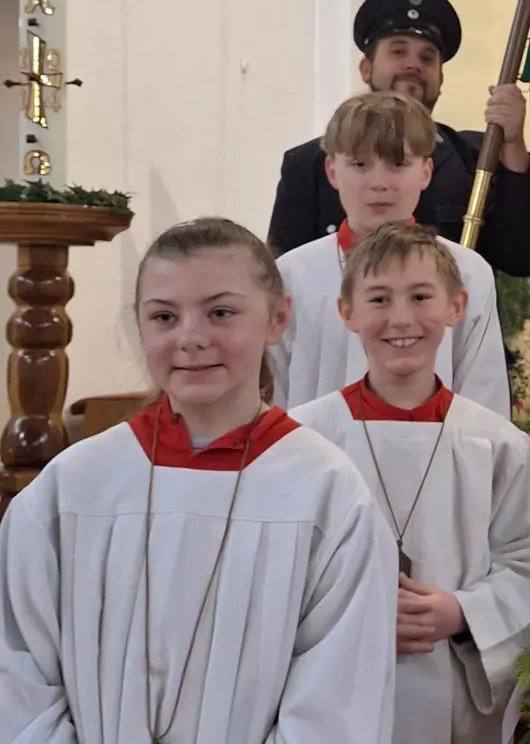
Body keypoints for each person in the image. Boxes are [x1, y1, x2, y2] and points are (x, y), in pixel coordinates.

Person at [0, 217, 398, 742]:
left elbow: (339, 700)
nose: (191, 337)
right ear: (140, 326)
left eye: (221, 312)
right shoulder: (74, 486)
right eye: (164, 316)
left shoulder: (327, 493)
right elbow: (17, 673)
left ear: (278, 318)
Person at [291, 221, 530, 743]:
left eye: (421, 296)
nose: (401, 318)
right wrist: (357, 613)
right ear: (346, 312)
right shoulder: (303, 440)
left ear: (456, 306)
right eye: (378, 299)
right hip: (331, 688)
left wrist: (463, 611)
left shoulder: (496, 444)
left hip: (455, 691)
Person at [268, 0, 530, 279]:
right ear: (366, 68)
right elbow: (286, 278)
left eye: (427, 57)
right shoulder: (308, 163)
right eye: (398, 51)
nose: (413, 65)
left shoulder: (477, 157)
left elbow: (524, 258)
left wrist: (512, 145)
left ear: (441, 78)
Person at [271, 90, 510, 416]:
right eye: (359, 164)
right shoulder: (292, 276)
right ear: (332, 172)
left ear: (426, 172)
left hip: (436, 457)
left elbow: (485, 400)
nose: (379, 183)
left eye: (398, 163)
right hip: (312, 460)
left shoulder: (466, 273)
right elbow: (275, 395)